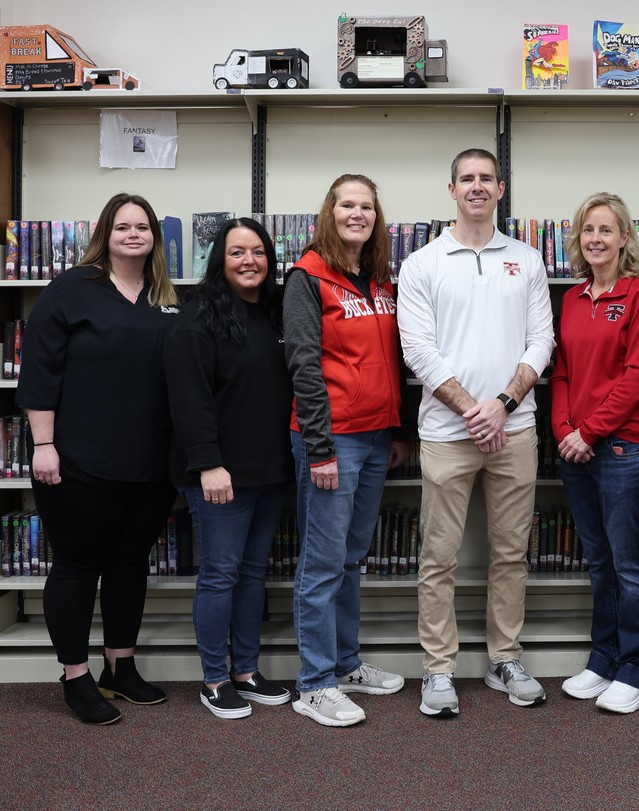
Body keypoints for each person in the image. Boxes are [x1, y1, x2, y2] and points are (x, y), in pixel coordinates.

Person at [398, 147, 555, 717]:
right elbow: (418, 350)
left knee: (511, 553)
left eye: (487, 178)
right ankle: (438, 670)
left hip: (516, 430)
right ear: (452, 189)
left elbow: (542, 340)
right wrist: (473, 410)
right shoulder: (422, 264)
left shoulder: (528, 260)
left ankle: (504, 657)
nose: (477, 187)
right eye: (467, 178)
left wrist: (504, 404)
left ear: (501, 187)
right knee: (437, 556)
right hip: (445, 431)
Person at [17, 192, 179, 725]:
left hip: (150, 463)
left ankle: (120, 667)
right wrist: (44, 445)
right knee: (78, 566)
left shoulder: (163, 296)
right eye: (123, 226)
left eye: (143, 226)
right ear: (105, 234)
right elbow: (39, 372)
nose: (133, 234)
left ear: (154, 236)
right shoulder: (71, 290)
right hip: (78, 460)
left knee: (130, 565)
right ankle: (75, 675)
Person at [284, 173, 410, 727]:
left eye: (366, 206)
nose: (357, 214)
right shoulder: (308, 275)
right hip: (331, 439)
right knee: (322, 562)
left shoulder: (380, 279)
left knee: (352, 559)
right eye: (347, 205)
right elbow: (304, 367)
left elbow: (393, 361)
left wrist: (398, 430)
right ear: (329, 212)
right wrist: (319, 449)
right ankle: (313, 683)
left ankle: (345, 662)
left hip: (378, 437)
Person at [164, 218, 293, 719]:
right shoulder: (198, 317)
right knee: (220, 574)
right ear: (219, 258)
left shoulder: (277, 312)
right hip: (219, 473)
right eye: (237, 252)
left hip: (268, 468)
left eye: (258, 252)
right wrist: (210, 465)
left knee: (252, 573)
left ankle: (246, 669)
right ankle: (214, 678)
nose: (249, 262)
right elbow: (189, 399)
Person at [551, 192, 639, 714]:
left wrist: (589, 431)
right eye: (588, 230)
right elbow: (564, 373)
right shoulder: (572, 300)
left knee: (630, 566)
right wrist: (563, 430)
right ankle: (605, 659)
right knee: (599, 562)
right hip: (576, 451)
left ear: (624, 239)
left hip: (623, 448)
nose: (596, 239)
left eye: (606, 230)